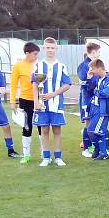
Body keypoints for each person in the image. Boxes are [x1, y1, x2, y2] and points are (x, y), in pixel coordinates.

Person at [32, 37, 72, 167]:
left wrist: (53, 94)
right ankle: (46, 157)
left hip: (56, 103)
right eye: (47, 47)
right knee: (44, 130)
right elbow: (34, 84)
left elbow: (67, 84)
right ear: (44, 49)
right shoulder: (38, 65)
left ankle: (58, 157)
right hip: (42, 104)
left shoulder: (61, 66)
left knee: (57, 130)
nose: (50, 50)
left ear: (56, 49)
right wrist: (36, 101)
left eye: (52, 48)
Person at [10, 42, 40, 163]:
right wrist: (13, 102)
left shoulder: (39, 65)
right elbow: (13, 85)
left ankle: (45, 153)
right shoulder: (18, 66)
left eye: (37, 54)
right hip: (25, 100)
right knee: (27, 127)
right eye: (34, 54)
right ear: (27, 53)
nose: (36, 56)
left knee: (41, 126)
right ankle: (26, 154)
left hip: (39, 99)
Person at [85, 59, 109, 160]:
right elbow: (89, 91)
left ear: (98, 68)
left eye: (92, 69)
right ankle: (98, 150)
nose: (91, 71)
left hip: (103, 109)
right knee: (90, 131)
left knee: (97, 131)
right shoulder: (96, 78)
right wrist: (89, 80)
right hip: (94, 108)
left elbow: (106, 93)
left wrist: (95, 91)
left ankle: (103, 152)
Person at [77, 42, 101, 158]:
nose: (99, 54)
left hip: (96, 98)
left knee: (94, 123)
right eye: (98, 52)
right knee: (88, 123)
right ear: (93, 52)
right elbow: (83, 83)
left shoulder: (96, 65)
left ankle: (93, 146)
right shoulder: (83, 66)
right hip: (87, 98)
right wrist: (91, 81)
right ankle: (86, 148)